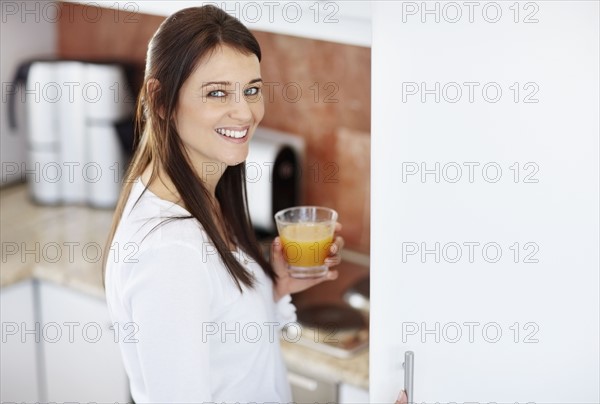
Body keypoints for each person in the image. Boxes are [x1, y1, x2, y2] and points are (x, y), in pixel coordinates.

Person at [103, 5, 344, 403]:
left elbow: (221, 337)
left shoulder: (192, 197)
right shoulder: (172, 252)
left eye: (251, 89)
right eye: (217, 93)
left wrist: (276, 287)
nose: (245, 112)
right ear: (160, 100)